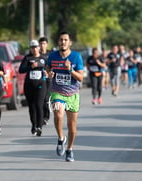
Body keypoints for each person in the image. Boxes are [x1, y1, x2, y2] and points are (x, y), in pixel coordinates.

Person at [46, 31, 84, 162]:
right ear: (58, 42)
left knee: (72, 126)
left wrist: (70, 70)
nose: (63, 42)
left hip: (73, 94)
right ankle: (61, 138)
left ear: (70, 43)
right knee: (58, 114)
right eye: (61, 40)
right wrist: (49, 73)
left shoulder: (76, 57)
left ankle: (70, 149)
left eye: (65, 40)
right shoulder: (53, 56)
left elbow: (80, 77)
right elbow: (48, 67)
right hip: (58, 92)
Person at [19, 40, 47, 136]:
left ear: (39, 47)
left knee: (39, 105)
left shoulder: (43, 58)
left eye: (36, 47)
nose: (34, 49)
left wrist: (47, 72)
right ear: (30, 49)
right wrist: (30, 67)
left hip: (40, 85)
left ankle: (39, 126)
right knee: (31, 107)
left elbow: (49, 69)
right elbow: (20, 70)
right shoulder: (27, 58)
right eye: (32, 47)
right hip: (29, 85)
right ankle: (34, 124)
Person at [39, 37, 51, 125]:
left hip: (48, 79)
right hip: (39, 80)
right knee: (40, 99)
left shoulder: (51, 54)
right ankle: (41, 117)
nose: (42, 45)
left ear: (47, 44)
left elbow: (54, 65)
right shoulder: (37, 55)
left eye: (44, 44)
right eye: (41, 44)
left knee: (46, 99)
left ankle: (46, 117)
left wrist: (49, 72)